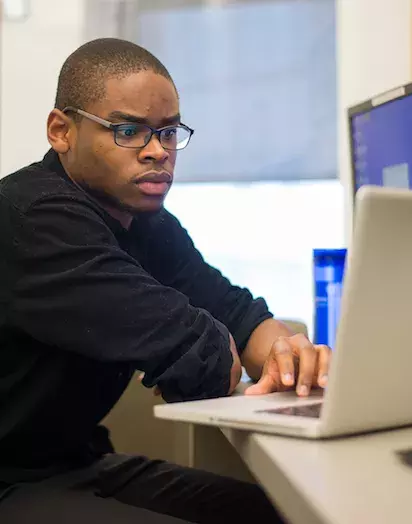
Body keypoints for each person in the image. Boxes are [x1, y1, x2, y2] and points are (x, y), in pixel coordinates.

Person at [0, 38, 331, 523]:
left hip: (76, 464)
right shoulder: (34, 218)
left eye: (169, 132)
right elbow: (201, 359)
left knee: (285, 513)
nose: (158, 152)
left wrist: (289, 356)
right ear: (61, 131)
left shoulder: (148, 222)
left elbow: (237, 316)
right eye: (129, 130)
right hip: (10, 481)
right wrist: (217, 352)